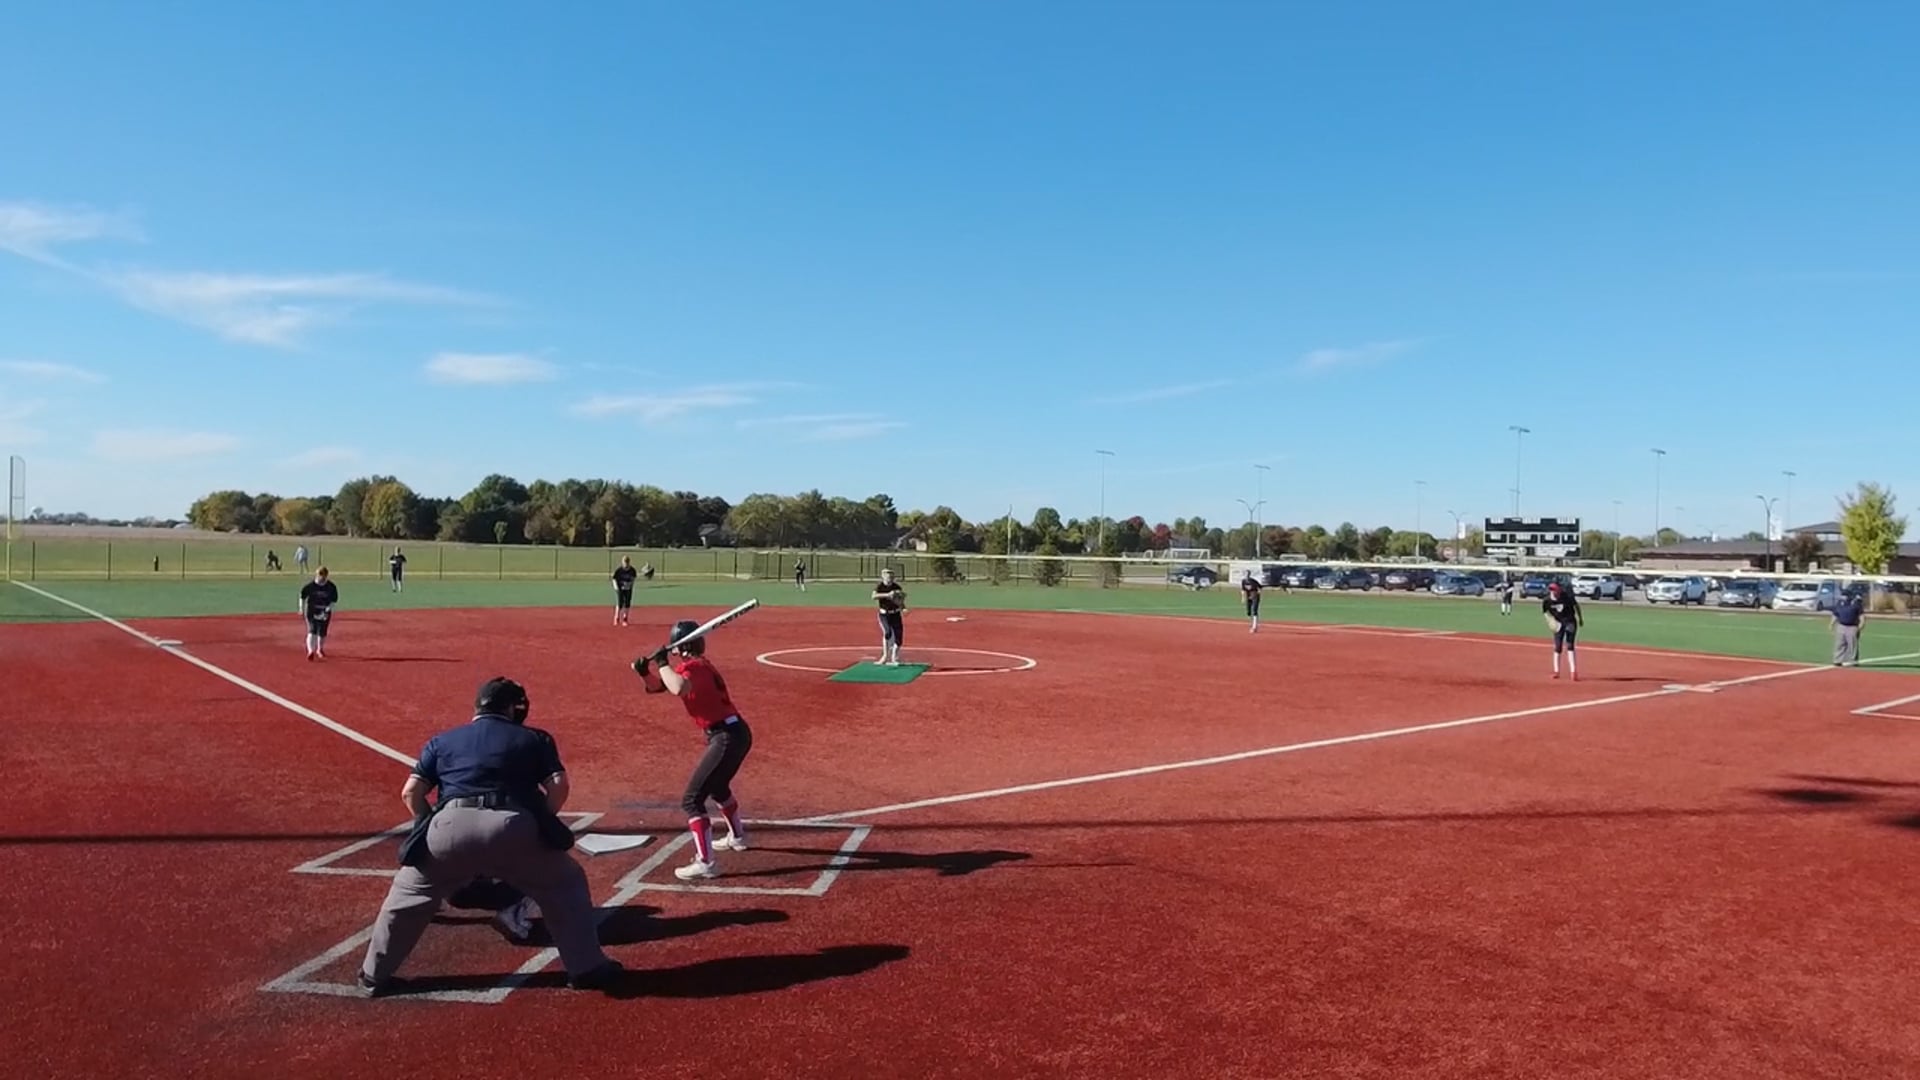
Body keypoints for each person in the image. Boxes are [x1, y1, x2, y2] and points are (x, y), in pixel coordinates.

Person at [357, 677, 621, 997]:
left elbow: (410, 792)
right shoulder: (533, 738)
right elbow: (558, 786)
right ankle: (586, 968)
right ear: (510, 708)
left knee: (407, 896)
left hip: (448, 825)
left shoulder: (442, 740)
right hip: (513, 826)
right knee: (565, 884)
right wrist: (541, 822)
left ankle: (373, 976)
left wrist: (428, 825)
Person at [632, 621, 754, 881]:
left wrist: (662, 662)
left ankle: (706, 863)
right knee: (717, 786)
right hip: (734, 733)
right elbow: (660, 686)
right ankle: (738, 837)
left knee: (692, 800)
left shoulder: (695, 667)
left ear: (682, 645)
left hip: (726, 736)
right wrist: (644, 672)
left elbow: (678, 687)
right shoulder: (696, 666)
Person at [1542, 581, 1583, 680]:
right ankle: (1556, 671)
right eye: (1551, 589)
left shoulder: (1567, 597)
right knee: (1558, 646)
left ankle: (1573, 672)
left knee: (1570, 645)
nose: (1552, 591)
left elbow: (1576, 606)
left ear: (1559, 590)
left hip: (1570, 621)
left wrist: (1580, 618)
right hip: (1558, 623)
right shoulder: (1547, 600)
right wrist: (1550, 621)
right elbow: (1545, 612)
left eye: (1554, 589)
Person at [299, 567, 338, 661]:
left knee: (322, 632)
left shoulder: (331, 587)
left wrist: (328, 609)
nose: (322, 578)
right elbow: (302, 597)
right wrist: (301, 609)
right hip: (312, 611)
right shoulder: (310, 586)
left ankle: (320, 649)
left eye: (324, 576)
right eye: (320, 576)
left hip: (324, 611)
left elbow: (334, 600)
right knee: (312, 630)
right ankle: (310, 651)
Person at [872, 567, 907, 666]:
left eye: (891, 576)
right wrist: (887, 595)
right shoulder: (880, 586)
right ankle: (885, 656)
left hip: (895, 614)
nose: (889, 578)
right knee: (887, 633)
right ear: (883, 576)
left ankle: (894, 657)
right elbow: (874, 596)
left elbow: (900, 600)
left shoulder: (896, 587)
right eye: (887, 576)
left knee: (899, 637)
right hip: (884, 614)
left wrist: (903, 607)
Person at [1831, 588, 1866, 666]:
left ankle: (1853, 660)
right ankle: (1837, 660)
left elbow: (1861, 616)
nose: (1844, 597)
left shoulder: (1856, 604)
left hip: (1852, 627)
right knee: (1839, 644)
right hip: (1841, 626)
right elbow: (1835, 614)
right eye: (1843, 595)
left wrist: (1861, 625)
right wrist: (1831, 624)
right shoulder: (1840, 603)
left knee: (1852, 645)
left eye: (1846, 595)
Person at [612, 556, 638, 625]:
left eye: (627, 562)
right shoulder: (619, 570)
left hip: (628, 589)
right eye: (624, 562)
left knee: (627, 603)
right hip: (620, 589)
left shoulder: (632, 570)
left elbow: (633, 579)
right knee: (620, 603)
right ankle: (617, 617)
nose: (626, 564)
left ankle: (625, 619)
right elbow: (614, 579)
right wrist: (616, 587)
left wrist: (630, 585)